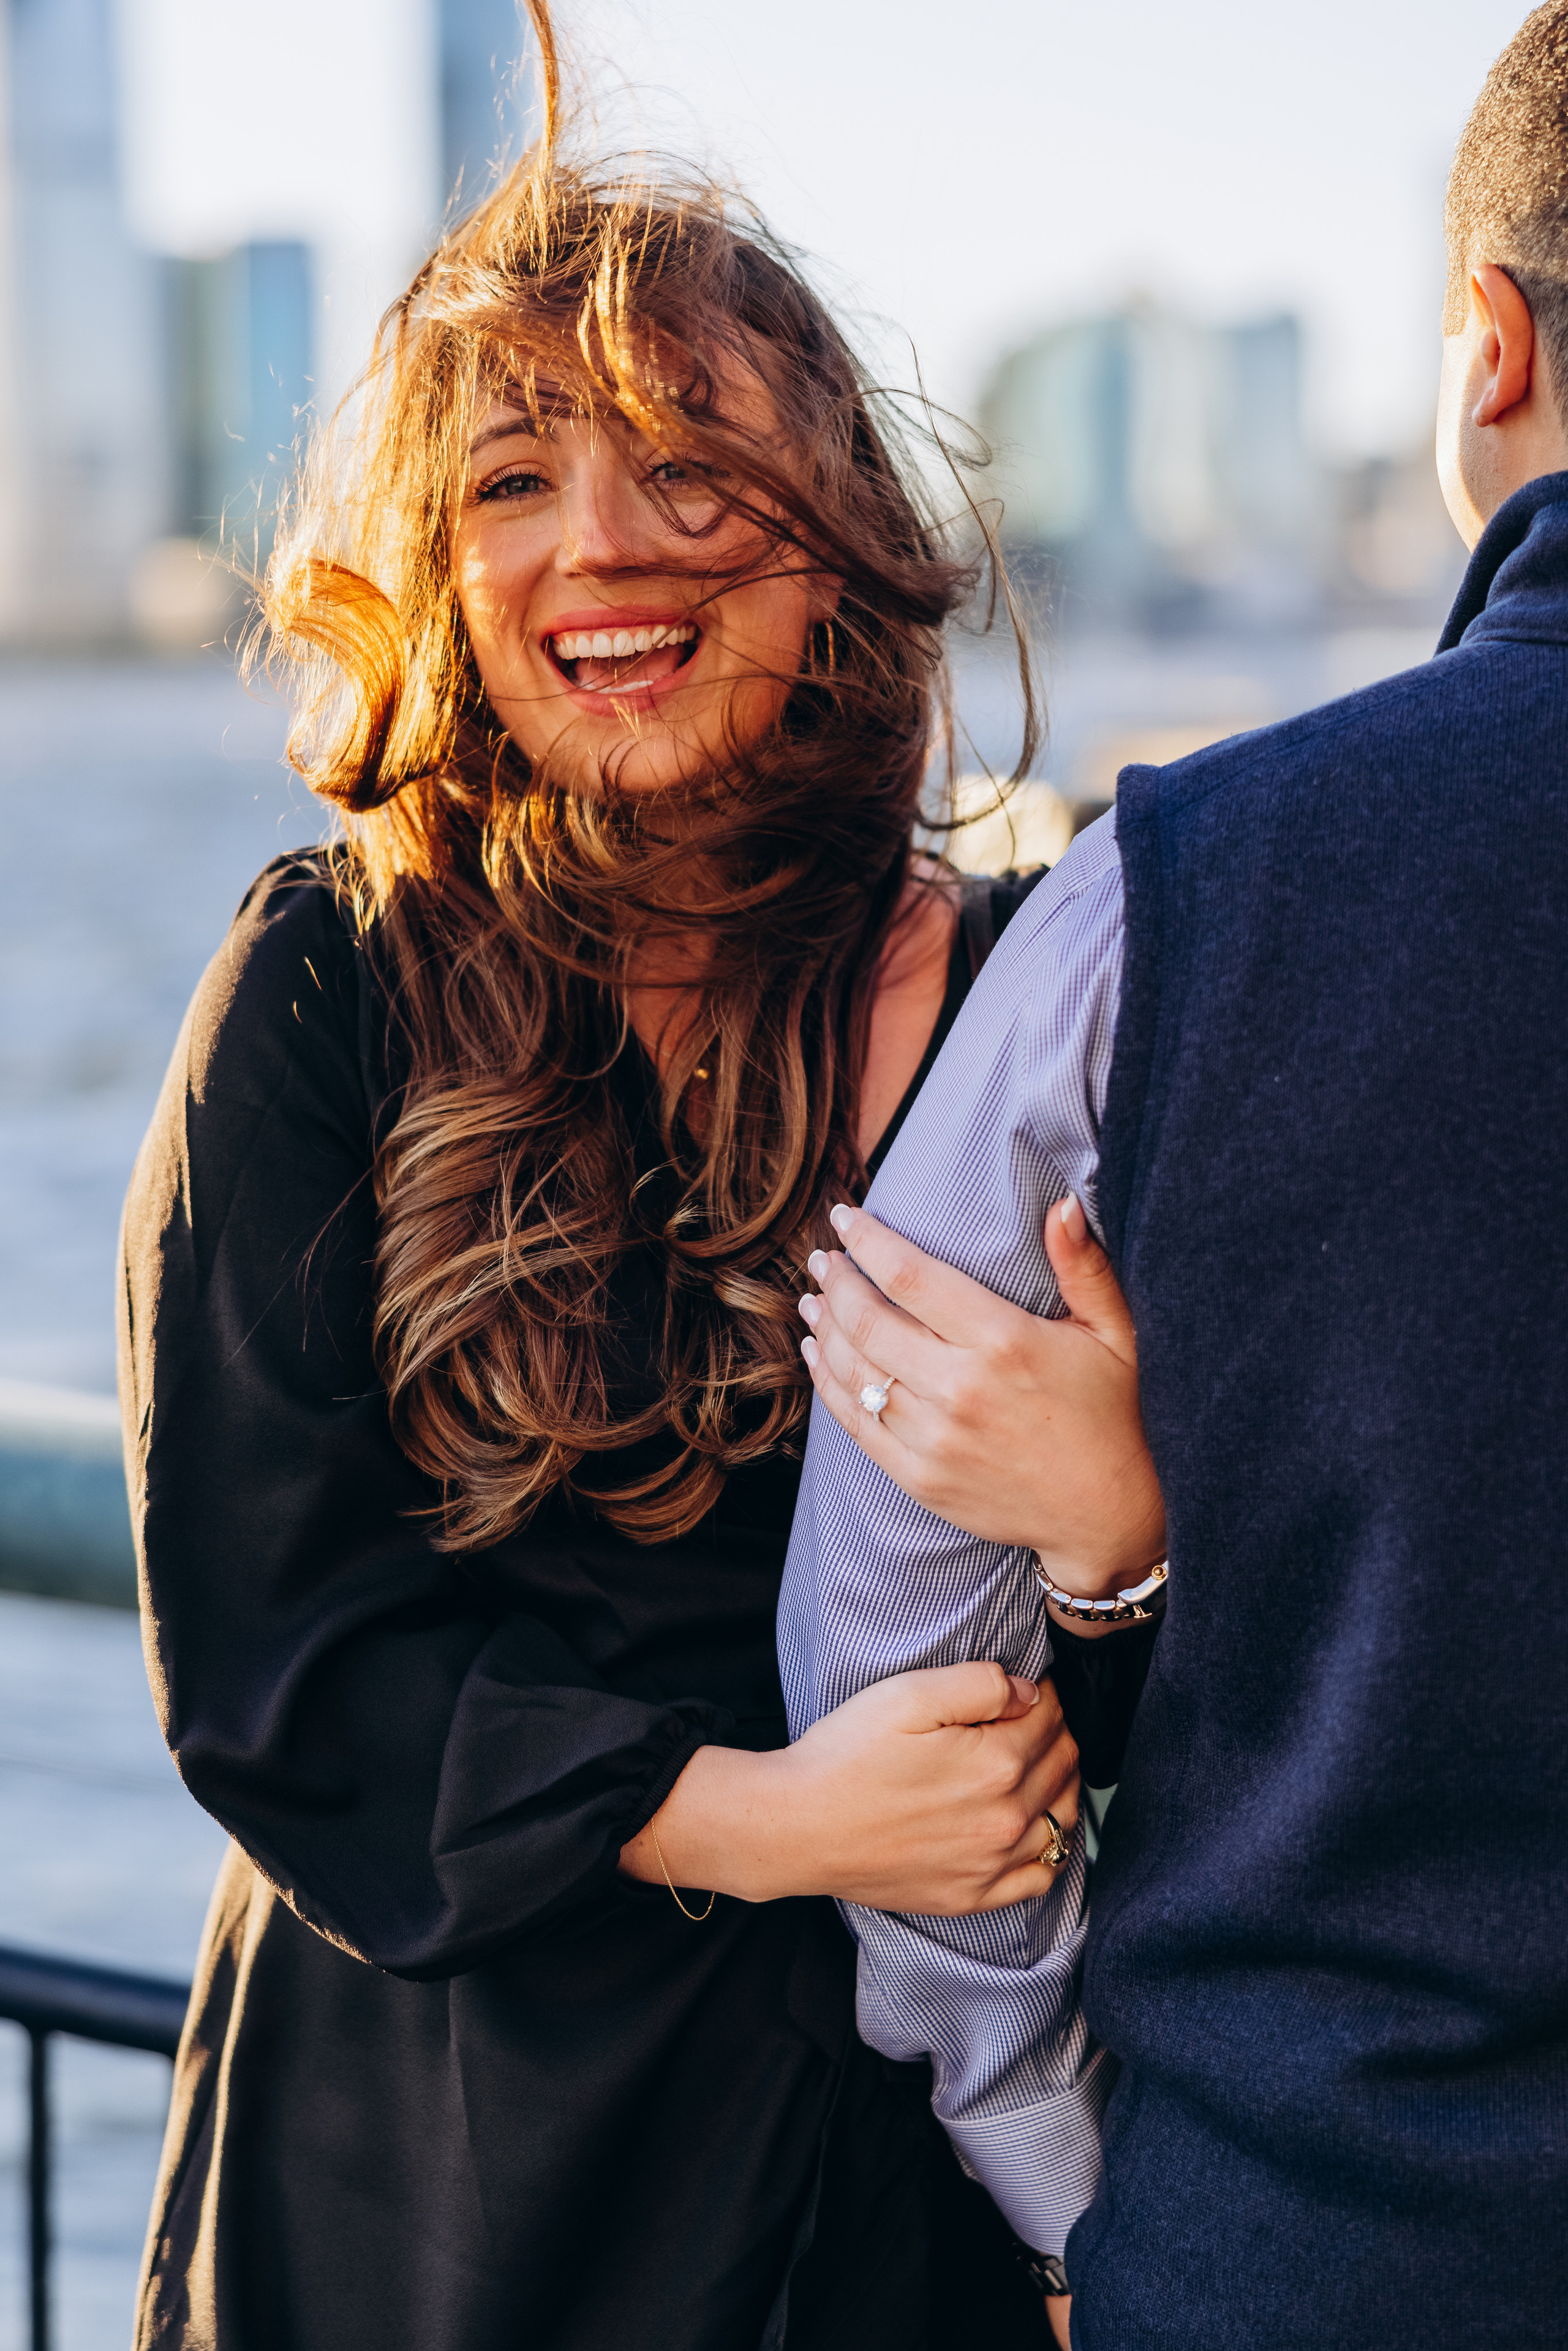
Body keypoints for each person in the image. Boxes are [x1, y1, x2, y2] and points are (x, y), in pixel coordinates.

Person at [116, 10, 1160, 2347]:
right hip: (434, 2195)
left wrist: (1117, 1529)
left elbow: (1241, 1696)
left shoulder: (1038, 1011)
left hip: (881, 2208)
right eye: (512, 478)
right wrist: (772, 1821)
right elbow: (278, 1665)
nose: (598, 541)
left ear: (839, 538)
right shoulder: (327, 990)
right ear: (441, 569)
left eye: (689, 462)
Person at [781, 9, 1568, 2347]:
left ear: (1489, 348)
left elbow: (888, 1621)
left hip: (1319, 2249)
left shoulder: (1192, 887)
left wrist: (1064, 2180)